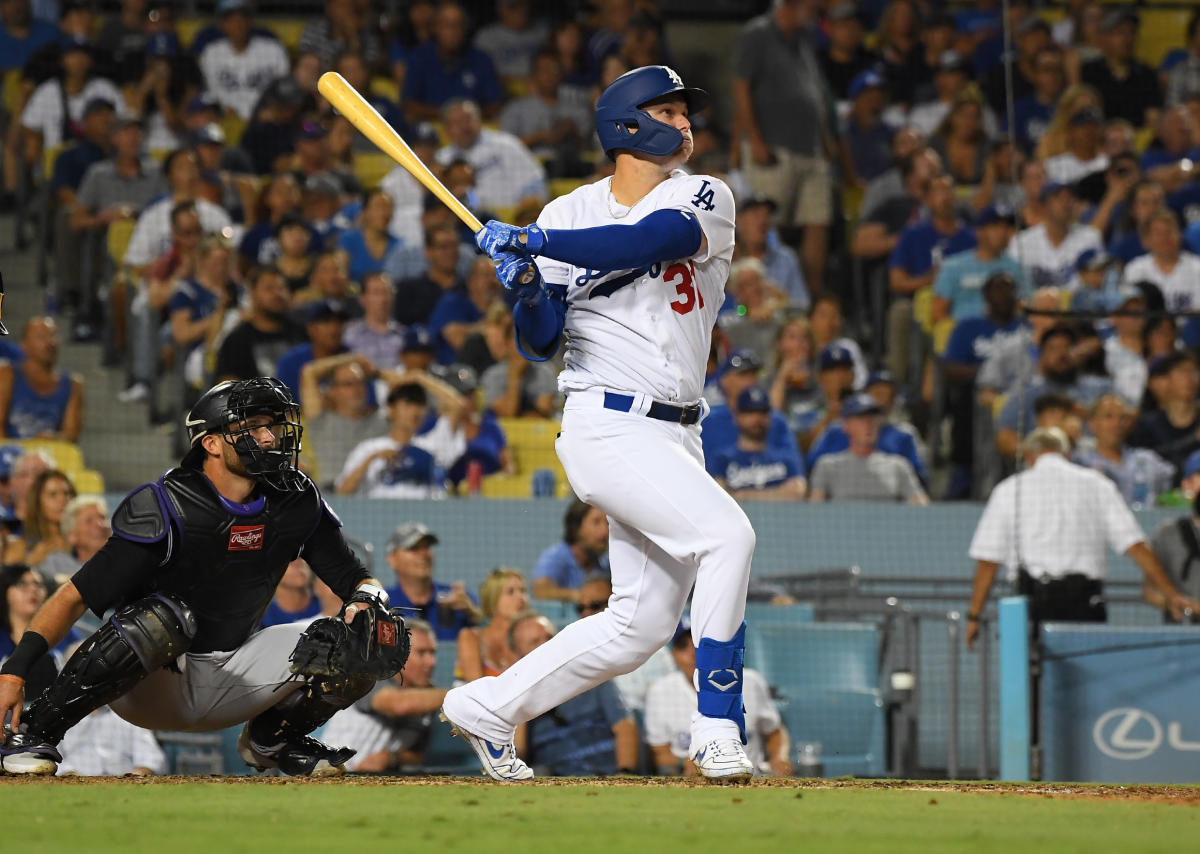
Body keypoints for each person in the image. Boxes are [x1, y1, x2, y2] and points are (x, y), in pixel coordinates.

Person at [442, 65, 759, 782]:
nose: (683, 123)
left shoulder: (704, 195)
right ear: (625, 122)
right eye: (668, 110)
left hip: (677, 431)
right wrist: (525, 289)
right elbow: (541, 339)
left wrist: (533, 246)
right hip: (605, 422)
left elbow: (644, 243)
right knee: (727, 538)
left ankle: (490, 705)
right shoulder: (565, 214)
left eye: (685, 112)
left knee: (639, 625)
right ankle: (716, 727)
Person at [0, 377, 398, 777]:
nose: (267, 436)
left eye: (270, 424)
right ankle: (36, 732)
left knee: (366, 634)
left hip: (238, 674)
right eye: (252, 426)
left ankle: (273, 739)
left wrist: (368, 601)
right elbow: (74, 596)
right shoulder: (167, 505)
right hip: (154, 685)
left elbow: (356, 577)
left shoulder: (296, 499)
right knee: (161, 618)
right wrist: (14, 673)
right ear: (211, 443)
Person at [965, 427, 1198, 647]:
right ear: (1066, 453)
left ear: (1028, 456)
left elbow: (988, 560)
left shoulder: (1008, 489)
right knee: (1086, 676)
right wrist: (1172, 594)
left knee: (1032, 677)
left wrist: (974, 615)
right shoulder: (1097, 484)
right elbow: (1135, 546)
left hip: (1031, 603)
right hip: (1084, 601)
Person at [733, 0, 832, 289]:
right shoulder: (758, 33)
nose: (815, 10)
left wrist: (824, 141)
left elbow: (813, 92)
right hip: (773, 147)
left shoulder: (803, 37)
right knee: (765, 224)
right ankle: (763, 296)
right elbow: (741, 87)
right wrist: (754, 139)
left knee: (818, 221)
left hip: (810, 149)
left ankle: (807, 298)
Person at [645, 618, 792, 778]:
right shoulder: (660, 691)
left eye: (701, 645)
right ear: (673, 655)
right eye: (683, 647)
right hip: (690, 786)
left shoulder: (750, 682)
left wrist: (779, 758)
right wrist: (684, 763)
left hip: (751, 781)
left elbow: (775, 732)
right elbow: (660, 754)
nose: (693, 654)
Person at [511, 610, 639, 777]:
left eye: (549, 638)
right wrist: (523, 695)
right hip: (555, 785)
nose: (546, 646)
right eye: (535, 642)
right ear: (518, 655)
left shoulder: (594, 675)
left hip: (608, 775)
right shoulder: (516, 696)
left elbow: (625, 727)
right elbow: (516, 755)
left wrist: (624, 773)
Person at [319, 618, 446, 773]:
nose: (431, 662)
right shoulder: (369, 676)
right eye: (421, 653)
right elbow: (399, 705)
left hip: (374, 783)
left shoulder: (428, 699)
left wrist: (392, 758)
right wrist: (460, 694)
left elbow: (416, 754)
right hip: (326, 775)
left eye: (433, 653)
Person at [809, 393, 929, 503]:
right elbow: (815, 512)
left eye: (873, 418)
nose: (869, 424)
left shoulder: (898, 466)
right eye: (861, 418)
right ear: (846, 425)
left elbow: (921, 507)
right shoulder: (827, 466)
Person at [436, 98, 548, 212]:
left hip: (512, 218)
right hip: (469, 221)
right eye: (458, 122)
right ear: (447, 129)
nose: (465, 126)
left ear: (479, 120)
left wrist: (528, 211)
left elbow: (535, 183)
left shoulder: (506, 144)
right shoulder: (442, 159)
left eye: (469, 119)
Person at [377, 522, 480, 642]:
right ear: (392, 559)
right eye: (413, 548)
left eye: (427, 547)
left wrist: (475, 617)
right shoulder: (382, 605)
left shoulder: (459, 600)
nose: (423, 554)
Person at [403, 1, 503, 122]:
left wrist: (464, 118)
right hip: (433, 128)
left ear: (465, 28)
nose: (454, 32)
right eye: (447, 25)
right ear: (435, 28)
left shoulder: (482, 59)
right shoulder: (419, 58)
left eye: (458, 25)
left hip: (472, 128)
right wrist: (450, 115)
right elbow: (409, 106)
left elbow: (494, 105)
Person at [197, 0, 290, 121]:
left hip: (267, 121)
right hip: (224, 122)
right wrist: (220, 109)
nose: (237, 24)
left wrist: (275, 109)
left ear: (250, 21)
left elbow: (286, 89)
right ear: (222, 24)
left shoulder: (273, 50)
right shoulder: (211, 52)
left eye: (242, 18)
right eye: (231, 20)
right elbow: (206, 92)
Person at [1075, 394, 1174, 507]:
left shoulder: (1147, 460)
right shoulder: (1080, 463)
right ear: (1092, 424)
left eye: (1122, 418)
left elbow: (1175, 489)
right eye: (1108, 416)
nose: (1117, 423)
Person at [711, 385, 807, 501]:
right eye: (750, 412)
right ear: (737, 417)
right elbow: (717, 498)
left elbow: (797, 493)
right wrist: (778, 494)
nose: (757, 418)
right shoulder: (722, 459)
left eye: (762, 412)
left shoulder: (785, 458)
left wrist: (742, 496)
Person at [932, 205, 1022, 324]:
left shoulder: (1015, 267)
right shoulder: (953, 266)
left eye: (1007, 227)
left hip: (1002, 335)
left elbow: (1020, 308)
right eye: (995, 226)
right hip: (964, 333)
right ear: (979, 231)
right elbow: (938, 313)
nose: (1003, 232)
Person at [214, 267, 304, 382]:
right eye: (269, 289)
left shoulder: (301, 332)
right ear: (252, 295)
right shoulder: (236, 340)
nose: (278, 294)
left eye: (282, 288)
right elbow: (228, 385)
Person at [0, 318, 82, 442]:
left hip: (51, 456)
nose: (50, 342)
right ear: (24, 345)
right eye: (41, 337)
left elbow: (71, 435)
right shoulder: (7, 374)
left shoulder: (73, 384)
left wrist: (53, 439)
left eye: (53, 335)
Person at [1008, 182, 1102, 289]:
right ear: (1044, 205)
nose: (1066, 203)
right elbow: (1013, 283)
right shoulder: (1022, 241)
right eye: (1058, 197)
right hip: (1035, 304)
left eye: (1070, 198)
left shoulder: (1090, 237)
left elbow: (1099, 280)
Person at [1128, 350, 1200, 477]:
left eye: (1194, 371)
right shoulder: (1147, 425)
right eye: (1182, 371)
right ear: (1166, 380)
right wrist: (1194, 439)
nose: (1189, 378)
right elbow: (1143, 462)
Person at [531, 499, 610, 603]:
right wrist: (580, 596)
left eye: (608, 523)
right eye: (596, 522)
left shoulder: (605, 563)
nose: (605, 531)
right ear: (576, 528)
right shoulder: (555, 557)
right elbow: (540, 591)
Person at [455, 568, 527, 682]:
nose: (521, 598)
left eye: (523, 591)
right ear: (493, 599)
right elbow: (476, 689)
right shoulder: (470, 637)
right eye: (511, 592)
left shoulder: (525, 641)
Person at [55, 704, 167, 777]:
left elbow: (151, 758)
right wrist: (69, 775)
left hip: (123, 787)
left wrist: (137, 775)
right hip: (73, 784)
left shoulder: (128, 714)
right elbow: (51, 758)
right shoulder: (61, 717)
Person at [35, 495, 109, 583]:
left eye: (102, 517)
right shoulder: (56, 563)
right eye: (89, 521)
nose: (100, 525)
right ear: (72, 536)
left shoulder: (124, 560)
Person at [18, 469, 76, 570]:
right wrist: (31, 562)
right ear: (38, 502)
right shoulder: (22, 546)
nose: (62, 500)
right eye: (53, 494)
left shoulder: (84, 541)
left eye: (67, 493)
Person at [260, 558, 322, 628]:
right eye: (290, 560)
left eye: (302, 557)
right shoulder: (263, 616)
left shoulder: (327, 602)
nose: (298, 563)